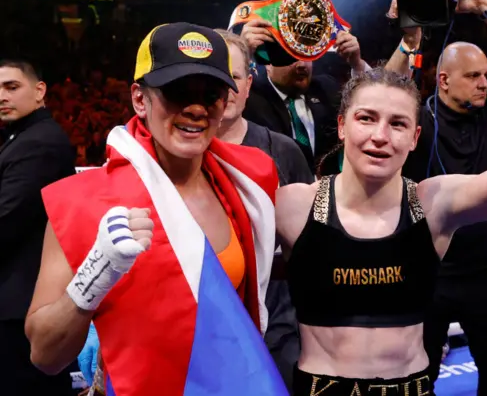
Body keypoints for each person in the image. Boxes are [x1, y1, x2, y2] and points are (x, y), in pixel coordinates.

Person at [276, 19, 487, 395]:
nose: (380, 136)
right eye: (366, 118)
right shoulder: (292, 205)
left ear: (415, 137)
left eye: (398, 124)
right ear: (341, 126)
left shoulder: (432, 204)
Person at [24, 23, 286, 396]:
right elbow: (45, 355)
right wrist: (96, 274)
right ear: (139, 99)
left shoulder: (249, 184)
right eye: (178, 92)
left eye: (210, 94)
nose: (196, 108)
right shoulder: (84, 201)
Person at [385, 0, 487, 393]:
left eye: (486, 75)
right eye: (473, 76)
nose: (484, 82)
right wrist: (409, 41)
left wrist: (484, 7)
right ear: (444, 80)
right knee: (417, 376)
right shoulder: (418, 116)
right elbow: (383, 93)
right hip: (424, 270)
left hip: (483, 270)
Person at [215, 29, 313, 391]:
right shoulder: (174, 153)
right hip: (201, 333)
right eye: (214, 75)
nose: (224, 88)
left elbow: (309, 251)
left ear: (248, 84)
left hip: (280, 334)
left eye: (234, 77)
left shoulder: (283, 151)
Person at [0, 59, 77, 396]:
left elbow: (5, 221)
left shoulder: (39, 142)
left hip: (21, 307)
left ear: (40, 90)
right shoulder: (23, 138)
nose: (2, 96)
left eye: (11, 87)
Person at [240, 18, 369, 174]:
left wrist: (356, 63)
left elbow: (374, 101)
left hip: (328, 192)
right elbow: (224, 94)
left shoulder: (326, 88)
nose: (301, 64)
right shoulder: (250, 94)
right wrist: (242, 53)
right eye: (291, 56)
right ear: (268, 63)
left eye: (306, 55)